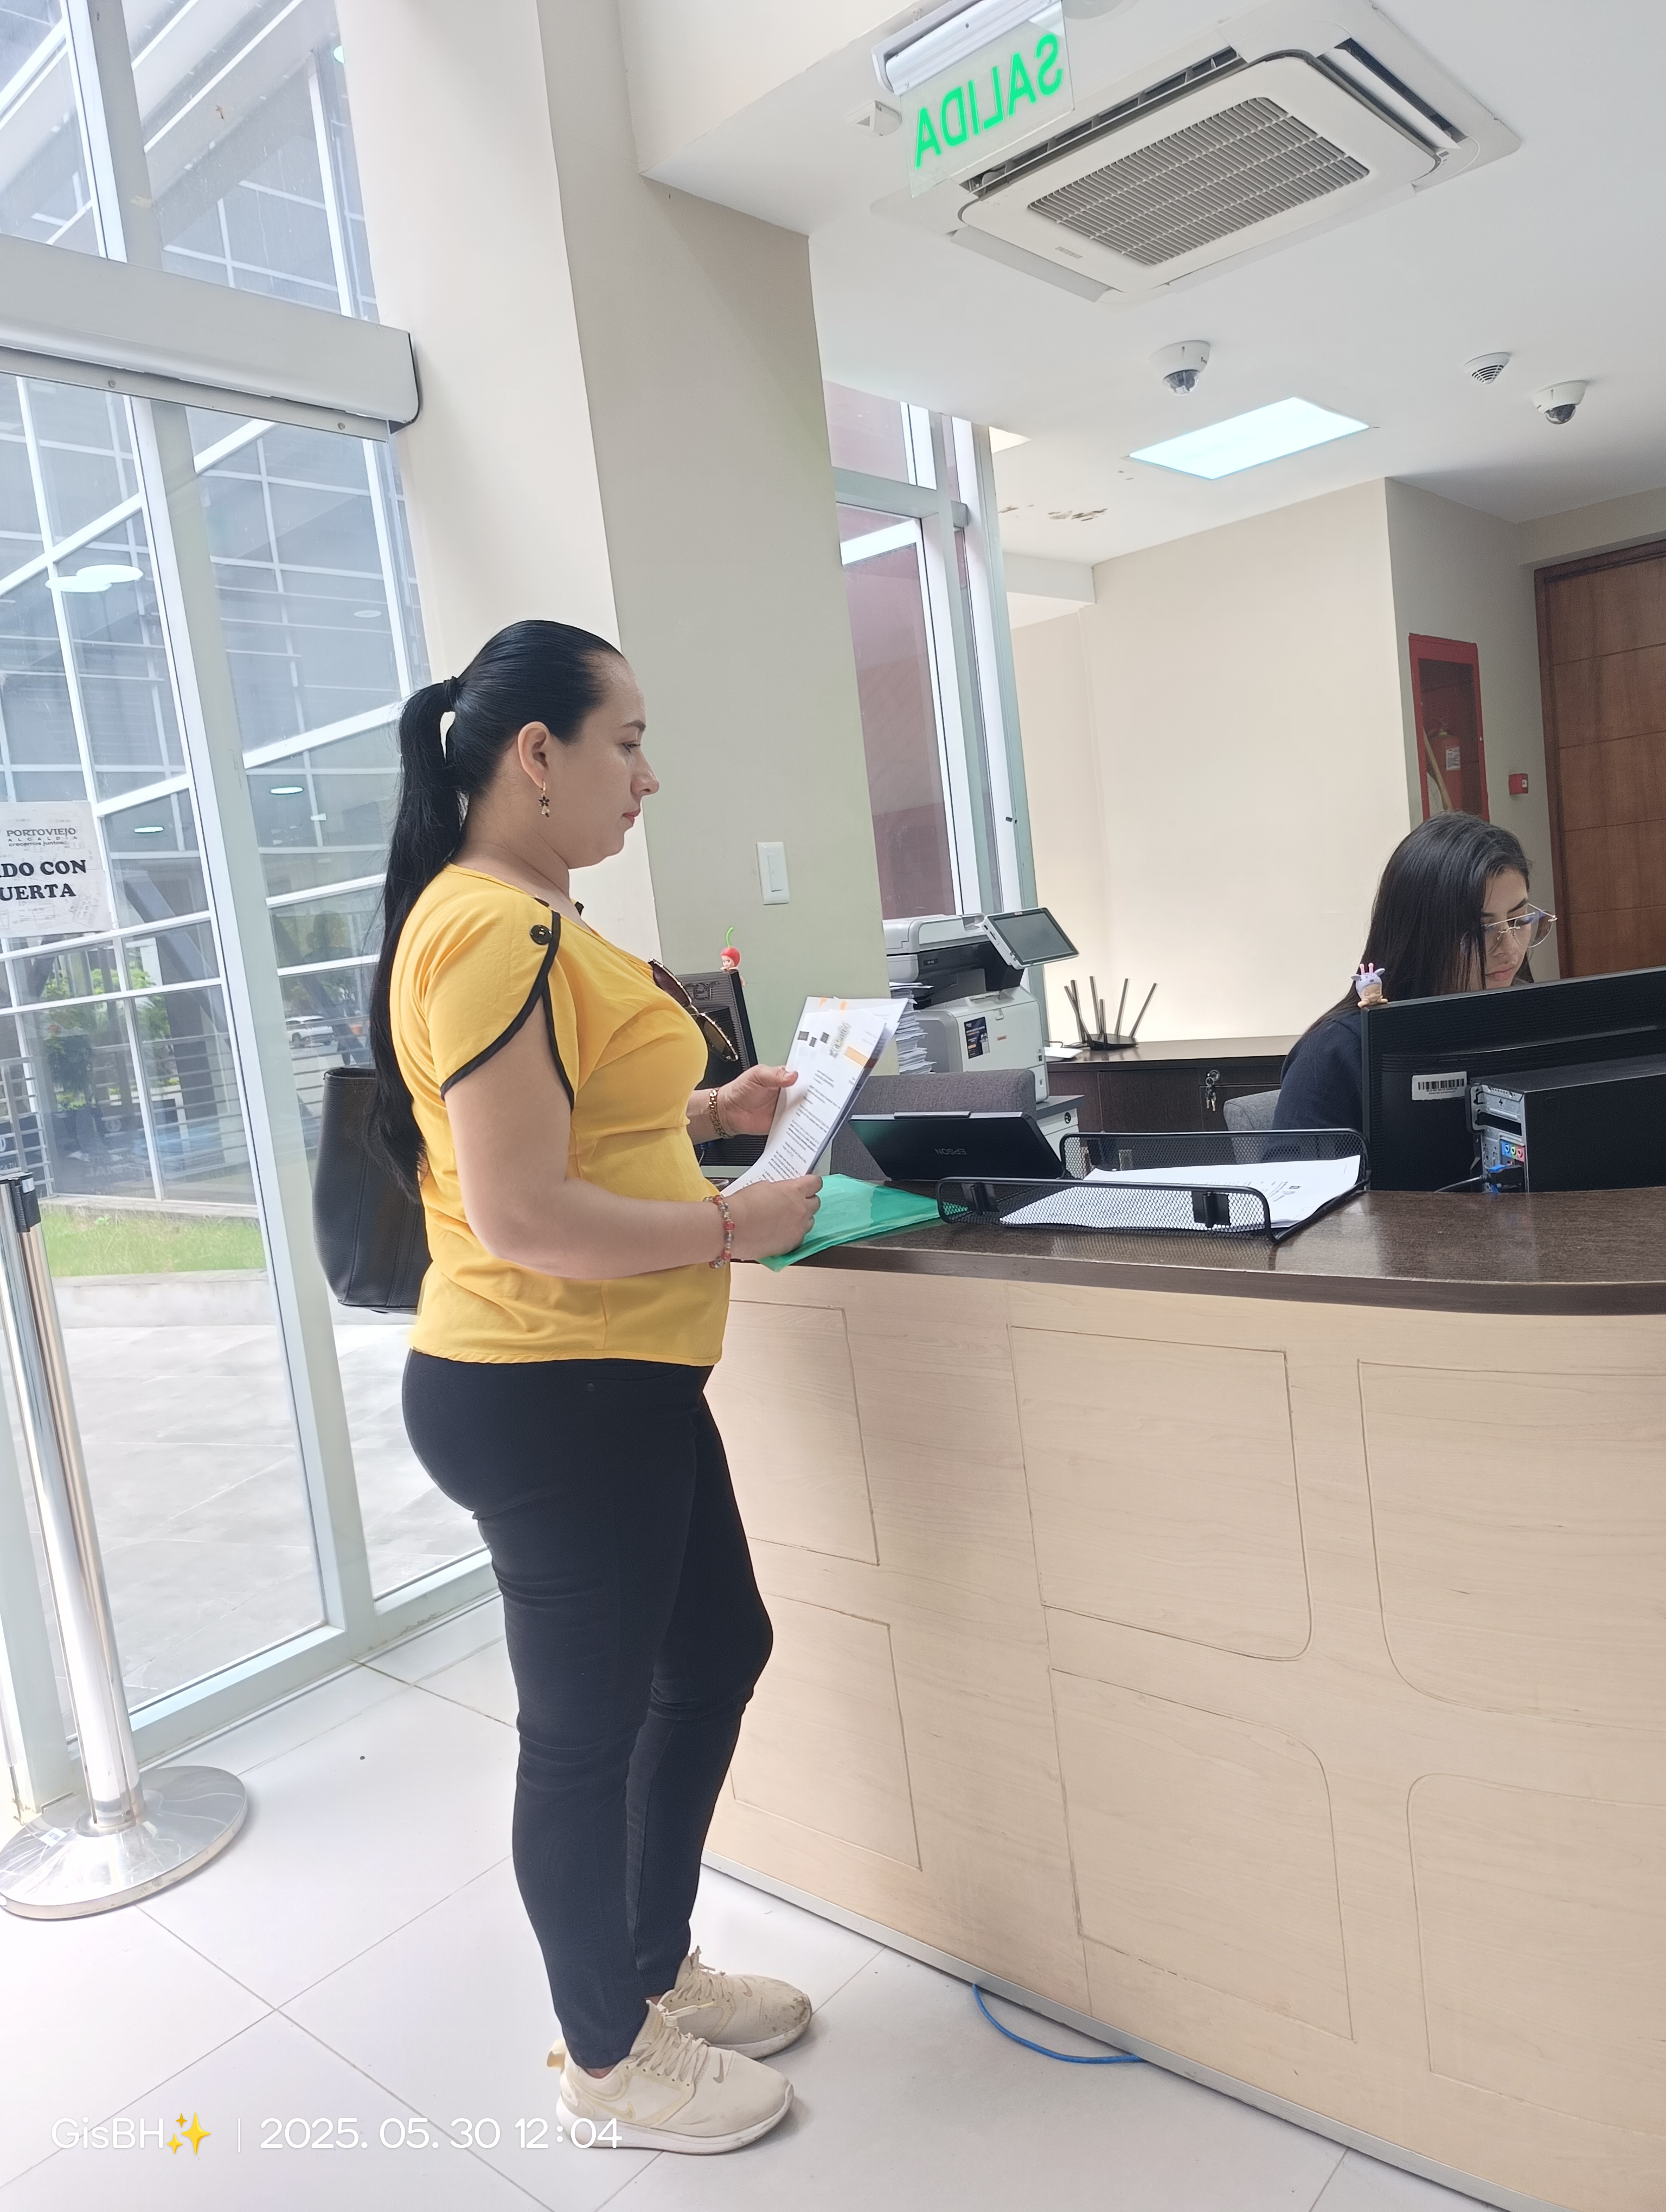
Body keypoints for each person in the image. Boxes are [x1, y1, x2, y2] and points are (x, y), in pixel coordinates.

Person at [368, 619, 823, 2154]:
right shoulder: (490, 928)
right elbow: (518, 1210)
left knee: (716, 1649)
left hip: (613, 1373)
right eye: (623, 740)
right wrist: (731, 1224)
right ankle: (608, 2057)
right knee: (584, 1731)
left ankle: (646, 1965)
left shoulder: (528, 919)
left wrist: (708, 1111)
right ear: (534, 754)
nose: (646, 774)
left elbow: (565, 1121)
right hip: (548, 1383)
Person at [1274, 812, 1555, 1138]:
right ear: (1420, 936)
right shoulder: (1337, 1053)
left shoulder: (1530, 1021)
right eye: (1480, 930)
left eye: (1519, 921)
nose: (1509, 948)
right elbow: (1299, 1170)